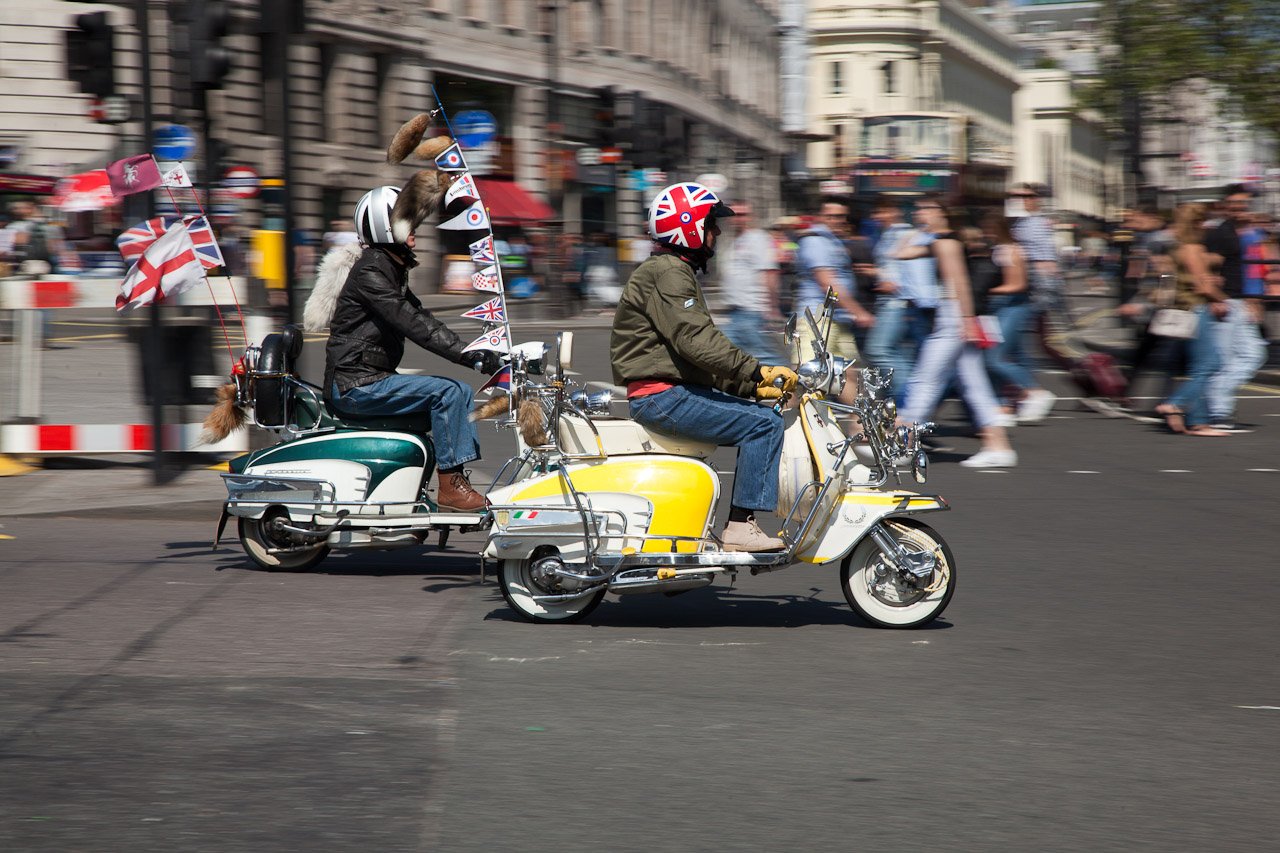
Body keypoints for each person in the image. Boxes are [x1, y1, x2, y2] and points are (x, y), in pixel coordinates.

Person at [610, 182, 798, 553]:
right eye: (711, 225)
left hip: (670, 392)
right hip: (663, 398)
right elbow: (698, 344)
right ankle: (740, 527)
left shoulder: (670, 271)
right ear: (688, 227)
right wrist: (759, 371)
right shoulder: (668, 273)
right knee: (765, 424)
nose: (718, 232)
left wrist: (750, 388)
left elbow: (692, 358)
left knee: (759, 412)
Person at [320, 184, 504, 512]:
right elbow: (411, 322)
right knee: (451, 393)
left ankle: (420, 491)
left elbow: (422, 316)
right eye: (407, 219)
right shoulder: (372, 271)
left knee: (451, 402)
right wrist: (470, 358)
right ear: (385, 227)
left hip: (367, 378)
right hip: (356, 384)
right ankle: (451, 487)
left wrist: (482, 349)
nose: (415, 226)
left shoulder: (389, 268)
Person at [897, 195, 1017, 468]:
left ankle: (904, 445)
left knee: (925, 379)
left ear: (943, 213)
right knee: (973, 384)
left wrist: (966, 320)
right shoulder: (938, 241)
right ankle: (998, 446)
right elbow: (900, 253)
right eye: (918, 209)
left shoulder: (947, 243)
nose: (920, 212)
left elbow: (960, 282)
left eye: (926, 208)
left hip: (954, 317)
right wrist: (921, 229)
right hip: (955, 315)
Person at [1154, 203, 1229, 437]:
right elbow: (1201, 284)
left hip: (1180, 313)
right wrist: (1222, 299)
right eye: (1204, 221)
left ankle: (1199, 423)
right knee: (1212, 363)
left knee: (1198, 367)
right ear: (1197, 223)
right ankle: (1175, 402)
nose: (1206, 226)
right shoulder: (1193, 247)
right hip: (1195, 310)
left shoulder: (1175, 248)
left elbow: (1166, 279)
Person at [975, 211, 1056, 422]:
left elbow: (1018, 284)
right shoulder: (997, 250)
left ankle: (1034, 392)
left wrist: (986, 291)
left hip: (1013, 307)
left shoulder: (1011, 251)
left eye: (989, 230)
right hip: (1001, 308)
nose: (986, 234)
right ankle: (1004, 405)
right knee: (1016, 355)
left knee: (994, 358)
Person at [1203, 184, 1268, 431]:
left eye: (1243, 204)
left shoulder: (1244, 233)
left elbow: (1252, 267)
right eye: (1235, 204)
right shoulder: (1222, 233)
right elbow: (1210, 267)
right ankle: (1218, 412)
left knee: (1254, 354)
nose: (1240, 208)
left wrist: (1254, 298)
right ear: (1225, 206)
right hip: (1227, 303)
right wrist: (1215, 299)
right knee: (1225, 358)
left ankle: (1217, 406)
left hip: (1241, 301)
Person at [862, 198, 917, 403]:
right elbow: (891, 266)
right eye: (876, 213)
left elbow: (908, 266)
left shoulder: (905, 233)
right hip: (888, 302)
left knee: (878, 349)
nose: (877, 217)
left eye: (882, 211)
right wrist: (874, 272)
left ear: (894, 211)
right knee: (893, 351)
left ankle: (906, 396)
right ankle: (900, 396)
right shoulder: (887, 234)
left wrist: (893, 282)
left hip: (897, 302)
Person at [719, 200, 783, 361]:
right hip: (736, 313)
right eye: (734, 214)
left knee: (763, 357)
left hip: (752, 310)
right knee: (733, 358)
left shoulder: (758, 238)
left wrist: (772, 307)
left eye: (742, 214)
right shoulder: (735, 241)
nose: (738, 218)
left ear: (750, 217)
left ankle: (787, 382)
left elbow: (770, 272)